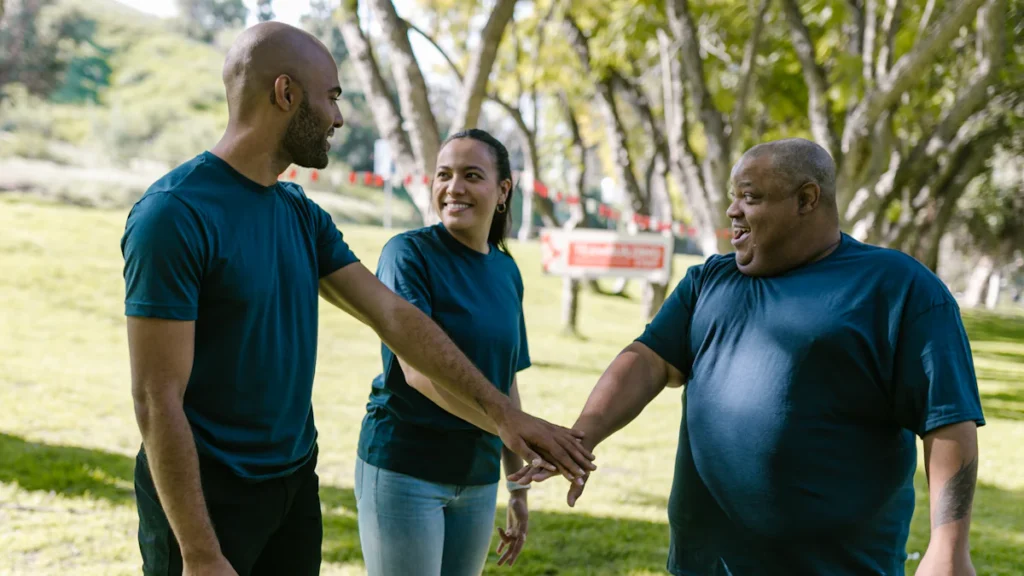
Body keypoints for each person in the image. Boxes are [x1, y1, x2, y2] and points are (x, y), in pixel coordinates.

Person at [121, 22, 594, 576]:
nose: (339, 117)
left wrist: (502, 414)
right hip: (206, 500)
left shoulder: (299, 213)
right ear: (286, 94)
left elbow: (394, 316)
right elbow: (156, 400)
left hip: (293, 485)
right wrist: (200, 553)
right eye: (333, 96)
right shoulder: (175, 215)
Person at [511, 138, 986, 575]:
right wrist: (582, 436)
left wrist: (949, 546)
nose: (732, 211)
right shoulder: (709, 281)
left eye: (750, 197)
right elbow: (648, 360)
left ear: (806, 199)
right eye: (733, 197)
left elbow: (948, 421)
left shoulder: (896, 287)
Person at [355, 129, 538, 575]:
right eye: (444, 175)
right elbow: (419, 373)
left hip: (476, 479)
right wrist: (511, 428)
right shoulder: (407, 255)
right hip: (405, 469)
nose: (453, 187)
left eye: (471, 175)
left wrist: (516, 488)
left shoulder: (506, 270)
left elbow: (506, 378)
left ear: (502, 191)